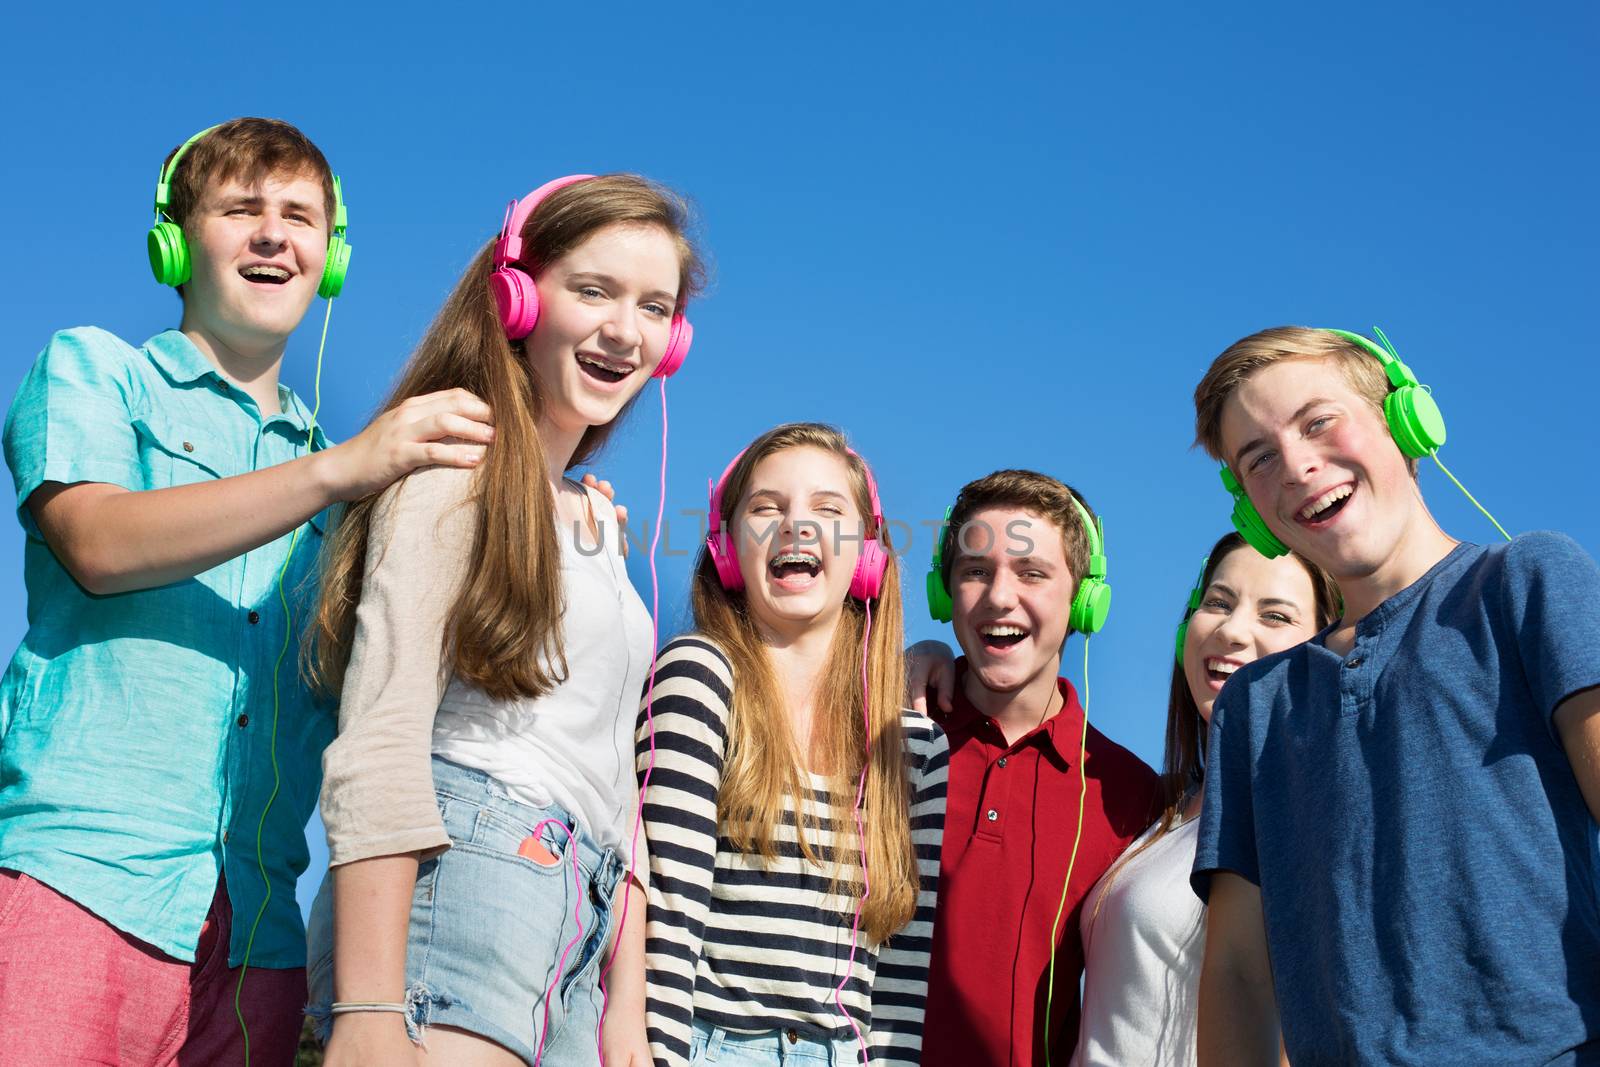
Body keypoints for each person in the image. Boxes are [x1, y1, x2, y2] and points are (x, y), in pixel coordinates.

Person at [0, 117, 491, 1065]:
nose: (275, 234)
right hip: (77, 882)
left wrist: (563, 518)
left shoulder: (351, 481)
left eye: (301, 216)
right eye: (241, 210)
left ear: (330, 260)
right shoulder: (98, 371)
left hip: (258, 944)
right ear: (175, 246)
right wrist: (336, 474)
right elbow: (97, 543)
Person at [304, 173, 703, 1066]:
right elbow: (383, 728)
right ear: (518, 298)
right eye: (593, 290)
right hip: (465, 878)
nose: (623, 331)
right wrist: (368, 1006)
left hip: (577, 924)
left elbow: (612, 786)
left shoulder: (595, 521)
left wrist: (623, 1006)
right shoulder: (455, 467)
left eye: (653, 307)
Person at [1190, 326, 1600, 1065]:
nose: (1299, 464)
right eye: (1259, 458)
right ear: (1250, 508)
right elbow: (1239, 973)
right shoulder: (1255, 707)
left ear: (1406, 419)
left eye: (1319, 421)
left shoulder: (1528, 581)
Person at [641, 423, 948, 1067]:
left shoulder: (915, 749)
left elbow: (898, 991)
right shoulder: (699, 678)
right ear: (728, 550)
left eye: (827, 509)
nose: (796, 526)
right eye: (766, 508)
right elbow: (665, 921)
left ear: (868, 556)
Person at [909, 469, 1161, 1067]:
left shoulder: (1132, 796)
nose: (999, 596)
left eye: (1032, 573)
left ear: (1082, 599)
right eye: (975, 571)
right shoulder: (888, 732)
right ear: (944, 595)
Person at [1070, 531, 1337, 1066]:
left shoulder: (1314, 817)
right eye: (1218, 603)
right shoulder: (1165, 808)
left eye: (1276, 616)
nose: (1233, 630)